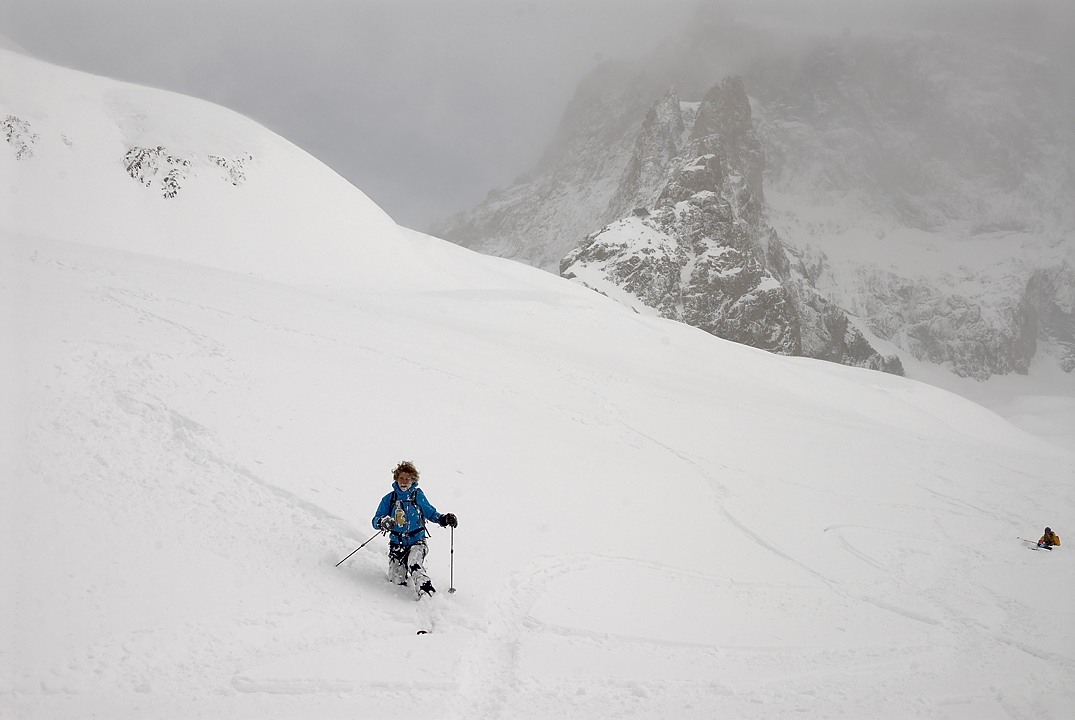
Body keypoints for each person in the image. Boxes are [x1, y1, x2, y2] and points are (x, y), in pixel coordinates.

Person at [372, 460, 457, 599]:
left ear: (413, 480)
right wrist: (382, 521)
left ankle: (427, 592)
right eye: (401, 478)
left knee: (415, 564)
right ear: (396, 479)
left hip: (417, 541)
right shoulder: (389, 499)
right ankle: (404, 574)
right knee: (396, 581)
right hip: (397, 543)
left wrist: (444, 519)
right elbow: (375, 520)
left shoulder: (417, 496)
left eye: (408, 479)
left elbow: (431, 513)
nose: (404, 482)